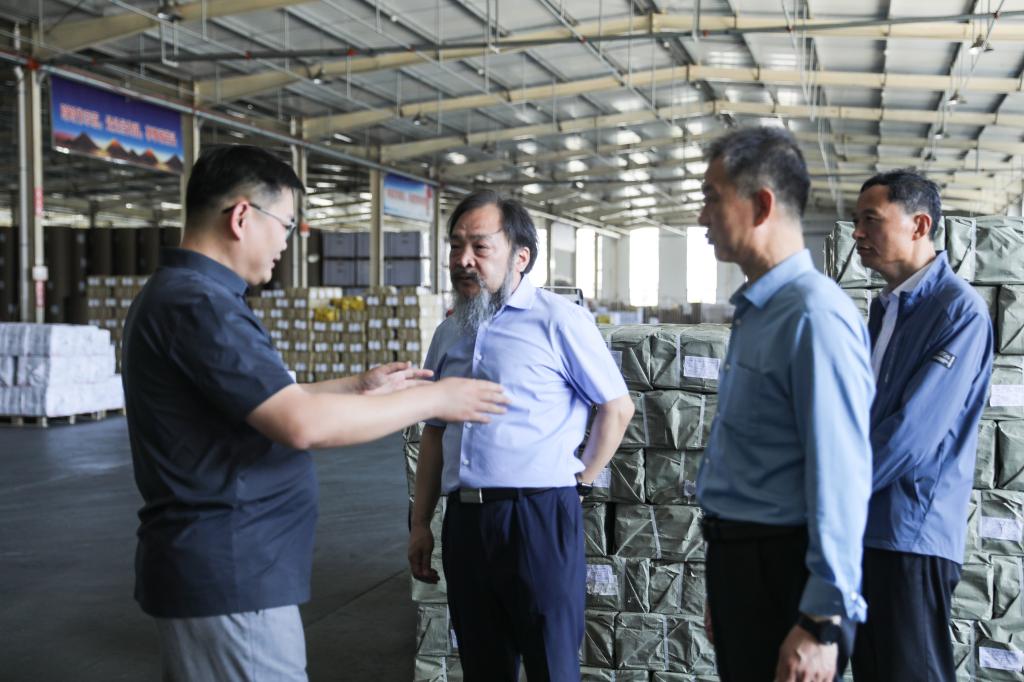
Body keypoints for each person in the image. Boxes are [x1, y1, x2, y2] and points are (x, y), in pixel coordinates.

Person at [121, 145, 508, 682]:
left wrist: (358, 388)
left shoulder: (186, 296)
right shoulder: (199, 305)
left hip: (223, 566)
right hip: (230, 567)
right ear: (241, 217)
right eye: (286, 225)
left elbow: (259, 398)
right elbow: (300, 424)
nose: (286, 243)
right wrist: (436, 399)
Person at [406, 190, 634, 682]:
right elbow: (433, 434)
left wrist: (579, 483)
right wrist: (420, 523)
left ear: (521, 257)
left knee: (550, 662)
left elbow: (616, 407)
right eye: (455, 246)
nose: (462, 260)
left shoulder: (558, 320)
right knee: (483, 665)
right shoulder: (449, 333)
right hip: (465, 523)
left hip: (538, 518)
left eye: (480, 246)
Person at [694, 126, 874, 682]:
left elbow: (842, 476)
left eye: (712, 198)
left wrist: (820, 621)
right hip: (744, 566)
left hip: (784, 570)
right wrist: (727, 585)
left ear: (761, 205)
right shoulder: (760, 310)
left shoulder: (813, 316)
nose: (701, 217)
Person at [850, 170, 994, 680]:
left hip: (911, 532)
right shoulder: (885, 310)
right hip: (867, 529)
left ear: (919, 225)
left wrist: (832, 493)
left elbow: (911, 433)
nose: (857, 233)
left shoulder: (958, 311)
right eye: (856, 221)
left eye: (871, 220)